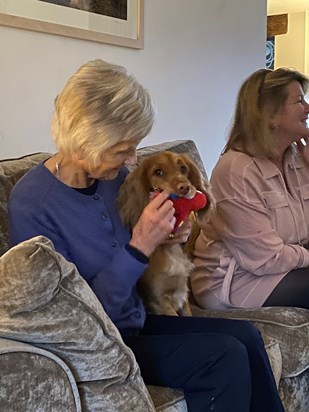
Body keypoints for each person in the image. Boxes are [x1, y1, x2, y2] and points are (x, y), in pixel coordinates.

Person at [8, 59, 284, 412]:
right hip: (99, 340)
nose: (131, 160)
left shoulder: (114, 181)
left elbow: (154, 258)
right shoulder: (33, 203)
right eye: (122, 149)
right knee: (223, 356)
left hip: (138, 321)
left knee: (246, 337)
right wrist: (140, 245)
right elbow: (73, 314)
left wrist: (171, 235)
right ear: (85, 140)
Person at [191, 67, 309, 311]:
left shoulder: (297, 157)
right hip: (235, 281)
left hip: (282, 264)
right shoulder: (236, 170)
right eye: (299, 101)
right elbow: (266, 259)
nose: (307, 107)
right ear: (270, 115)